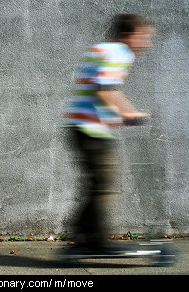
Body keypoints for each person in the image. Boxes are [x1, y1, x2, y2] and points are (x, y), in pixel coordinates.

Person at [63, 14, 155, 253]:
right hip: (91, 130)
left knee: (98, 185)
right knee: (103, 187)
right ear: (128, 36)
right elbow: (105, 87)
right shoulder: (119, 52)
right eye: (143, 37)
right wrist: (128, 113)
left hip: (82, 126)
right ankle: (91, 239)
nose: (147, 43)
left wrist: (113, 116)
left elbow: (92, 87)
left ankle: (86, 235)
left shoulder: (100, 49)